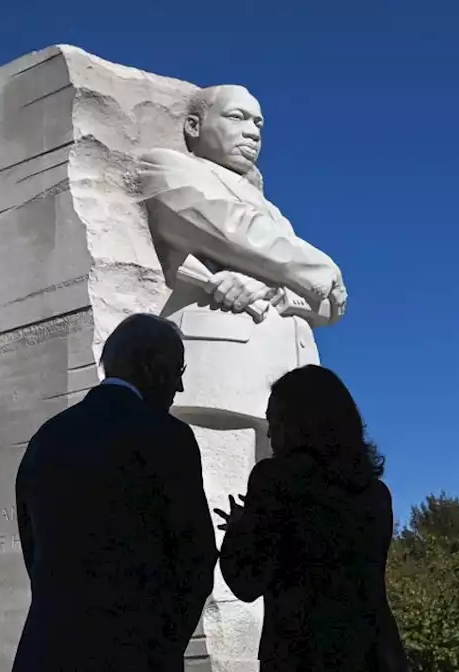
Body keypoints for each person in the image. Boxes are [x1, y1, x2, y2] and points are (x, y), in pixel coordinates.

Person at [137, 84, 348, 448]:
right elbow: (233, 230)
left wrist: (275, 289)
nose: (252, 132)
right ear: (192, 126)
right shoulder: (168, 166)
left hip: (295, 375)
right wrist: (324, 268)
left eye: (259, 124)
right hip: (223, 365)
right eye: (237, 118)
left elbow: (333, 305)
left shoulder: (275, 213)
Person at [12, 313, 217, 672]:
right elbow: (195, 558)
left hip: (47, 651)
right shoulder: (168, 437)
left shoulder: (47, 437)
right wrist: (163, 647)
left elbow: (34, 549)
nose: (179, 389)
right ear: (153, 367)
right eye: (178, 372)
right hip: (135, 652)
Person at [214, 365, 411, 672]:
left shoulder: (275, 480)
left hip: (300, 656)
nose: (269, 432)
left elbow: (247, 582)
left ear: (297, 424)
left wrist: (240, 529)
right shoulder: (376, 494)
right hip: (374, 655)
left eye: (275, 420)